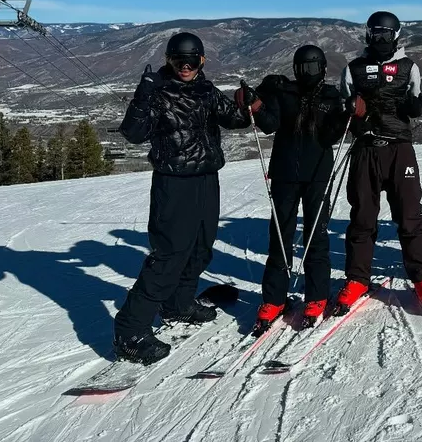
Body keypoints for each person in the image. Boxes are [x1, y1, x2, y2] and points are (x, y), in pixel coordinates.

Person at [113, 32, 254, 363]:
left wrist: (246, 102)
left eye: (191, 61)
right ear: (168, 60)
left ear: (202, 61)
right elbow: (133, 133)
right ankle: (129, 330)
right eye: (179, 61)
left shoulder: (205, 89)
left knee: (201, 247)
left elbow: (235, 120)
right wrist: (143, 96)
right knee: (170, 254)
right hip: (174, 182)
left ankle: (178, 303)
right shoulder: (158, 93)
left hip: (206, 177)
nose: (185, 67)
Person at [237, 45, 349, 333]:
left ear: (323, 69)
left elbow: (331, 136)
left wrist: (347, 114)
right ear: (295, 69)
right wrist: (256, 106)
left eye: (313, 68)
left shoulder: (330, 97)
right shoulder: (285, 93)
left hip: (317, 174)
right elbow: (270, 125)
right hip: (285, 173)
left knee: (316, 234)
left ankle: (316, 295)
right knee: (280, 234)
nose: (308, 73)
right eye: (302, 68)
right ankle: (274, 298)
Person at [334, 11, 422, 313]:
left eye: (386, 34)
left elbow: (416, 101)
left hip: (399, 148)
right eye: (375, 33)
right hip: (366, 148)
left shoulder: (408, 66)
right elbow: (344, 107)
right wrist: (352, 112)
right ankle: (357, 279)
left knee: (410, 214)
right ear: (367, 34)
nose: (380, 39)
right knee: (362, 216)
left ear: (396, 35)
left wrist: (413, 104)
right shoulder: (353, 68)